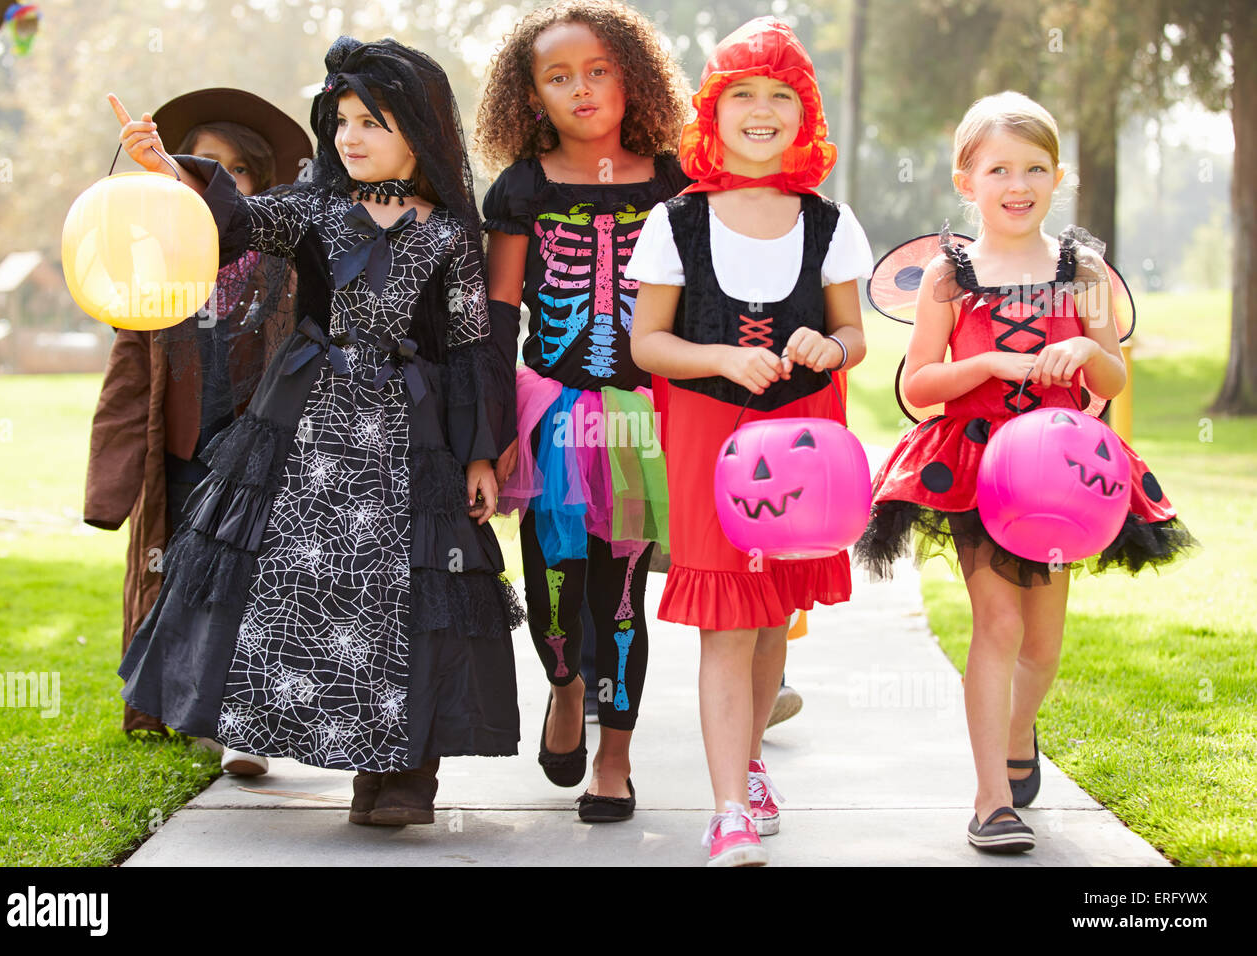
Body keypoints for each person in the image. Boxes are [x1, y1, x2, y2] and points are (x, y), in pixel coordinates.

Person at [110, 36, 523, 827]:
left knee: (401, 590)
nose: (351, 137)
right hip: (301, 431)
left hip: (410, 442)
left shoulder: (449, 236)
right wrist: (167, 167)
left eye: (373, 121)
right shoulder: (312, 208)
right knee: (298, 581)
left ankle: (399, 778)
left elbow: (471, 348)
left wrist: (477, 452)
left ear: (422, 128)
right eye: (340, 121)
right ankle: (261, 725)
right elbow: (236, 218)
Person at [854, 91, 1195, 853]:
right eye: (999, 168)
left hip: (1063, 475)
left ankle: (1017, 731)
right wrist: (985, 362)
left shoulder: (1085, 267)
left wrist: (1090, 354)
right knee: (998, 624)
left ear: (1058, 175)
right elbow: (915, 387)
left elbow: (1110, 381)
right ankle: (989, 799)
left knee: (1043, 645)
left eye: (1035, 167)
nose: (1018, 183)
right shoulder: (950, 272)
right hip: (977, 463)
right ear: (964, 180)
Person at [629, 17, 871, 864]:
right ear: (712, 111)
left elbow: (855, 335)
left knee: (774, 612)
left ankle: (751, 759)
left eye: (781, 96)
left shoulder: (831, 222)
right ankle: (729, 806)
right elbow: (647, 344)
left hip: (804, 435)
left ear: (805, 114)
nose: (761, 111)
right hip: (706, 428)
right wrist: (724, 358)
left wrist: (827, 348)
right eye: (742, 95)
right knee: (728, 618)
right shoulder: (674, 224)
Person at [475, 0, 690, 822]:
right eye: (559, 77)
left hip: (639, 415)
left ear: (632, 81)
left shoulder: (674, 182)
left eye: (600, 70)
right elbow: (498, 319)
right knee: (555, 585)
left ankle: (616, 757)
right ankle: (566, 688)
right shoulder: (521, 189)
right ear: (531, 98)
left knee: (624, 592)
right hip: (554, 417)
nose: (583, 89)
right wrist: (492, 435)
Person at [84, 89, 309, 782]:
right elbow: (128, 381)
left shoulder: (287, 265)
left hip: (255, 455)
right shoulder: (156, 269)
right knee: (173, 577)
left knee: (251, 583)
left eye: (238, 169)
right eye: (206, 164)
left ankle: (247, 727)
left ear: (260, 183)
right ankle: (171, 705)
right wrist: (109, 487)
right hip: (183, 451)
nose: (221, 178)